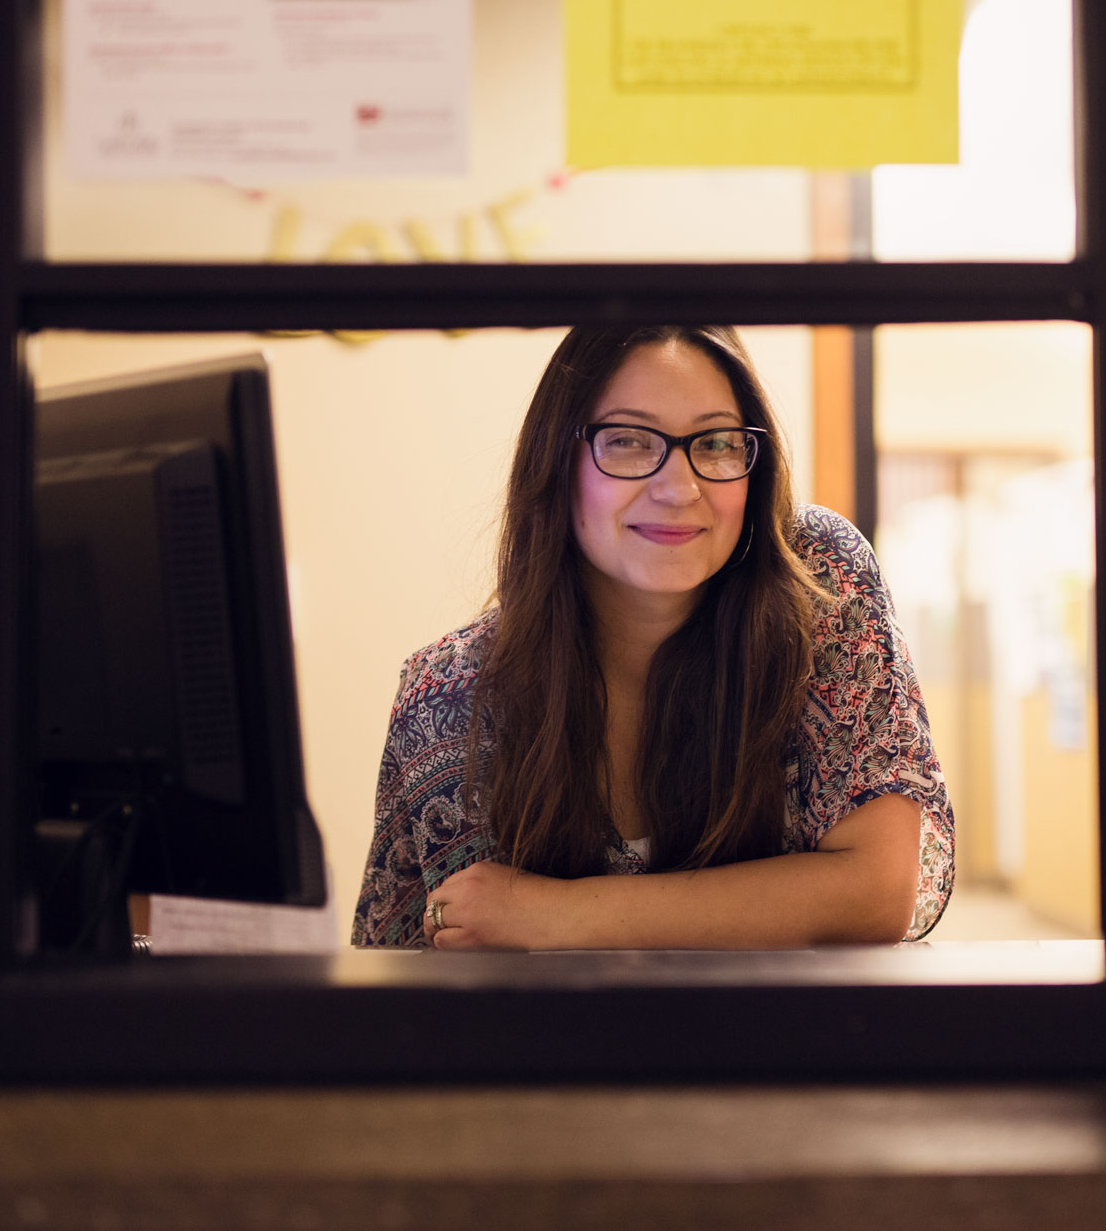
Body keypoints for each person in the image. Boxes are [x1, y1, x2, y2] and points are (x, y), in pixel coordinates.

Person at [350, 324, 953, 949]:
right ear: (557, 463)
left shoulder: (817, 580)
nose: (680, 488)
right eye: (630, 441)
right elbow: (421, 979)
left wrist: (557, 915)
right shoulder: (450, 695)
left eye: (716, 442)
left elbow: (877, 891)